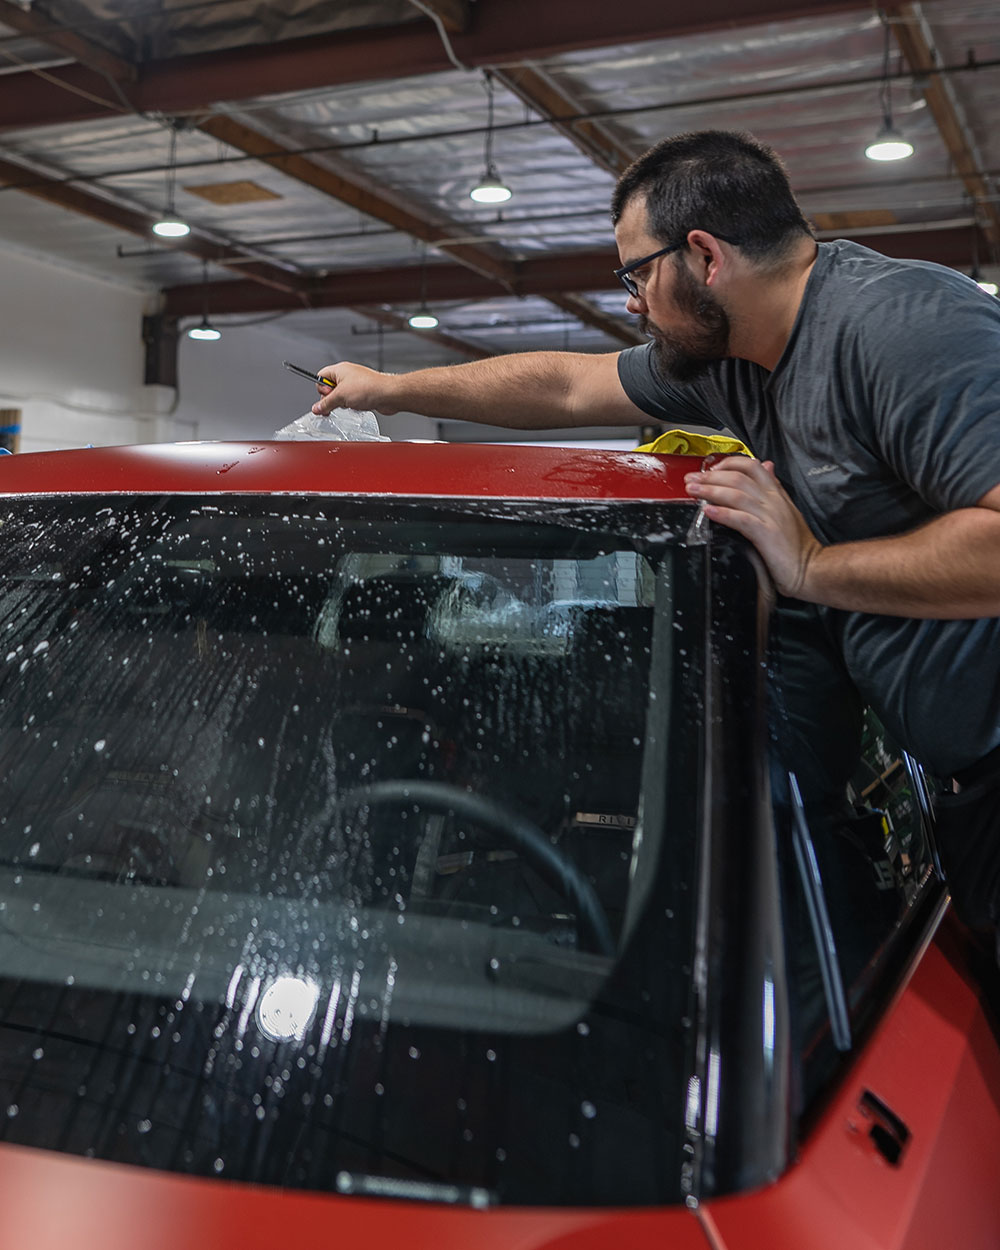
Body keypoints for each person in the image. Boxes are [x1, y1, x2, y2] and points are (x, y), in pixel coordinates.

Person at [312, 129, 1000, 937]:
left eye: (636, 273)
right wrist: (389, 387)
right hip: (961, 783)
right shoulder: (738, 361)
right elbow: (568, 386)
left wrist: (810, 566)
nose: (631, 301)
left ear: (704, 256)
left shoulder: (899, 329)